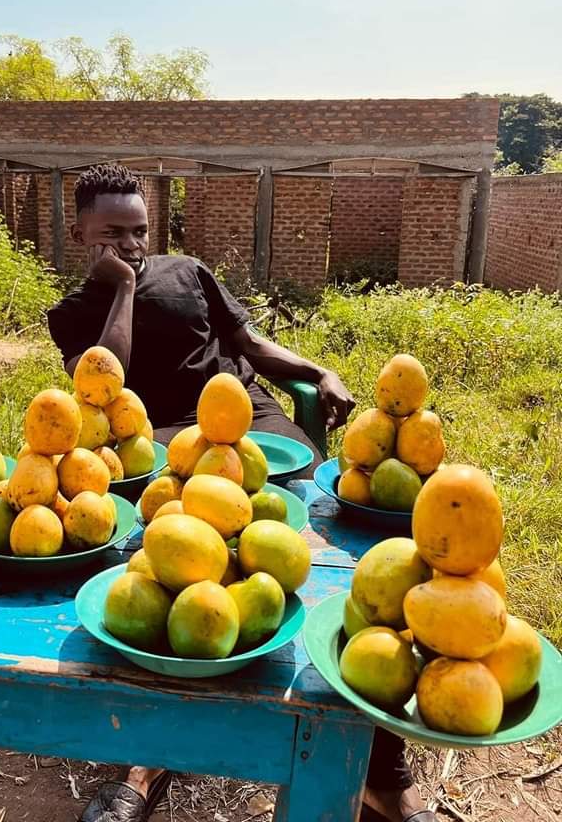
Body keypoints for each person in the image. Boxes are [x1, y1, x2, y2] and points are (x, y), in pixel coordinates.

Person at [47, 164, 436, 822]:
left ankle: (380, 766)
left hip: (254, 430)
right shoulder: (74, 312)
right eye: (113, 233)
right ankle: (148, 758)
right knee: (168, 579)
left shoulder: (190, 273)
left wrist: (319, 369)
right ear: (78, 233)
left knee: (341, 559)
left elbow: (246, 343)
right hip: (166, 450)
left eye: (140, 232)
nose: (133, 246)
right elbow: (103, 386)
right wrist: (118, 289)